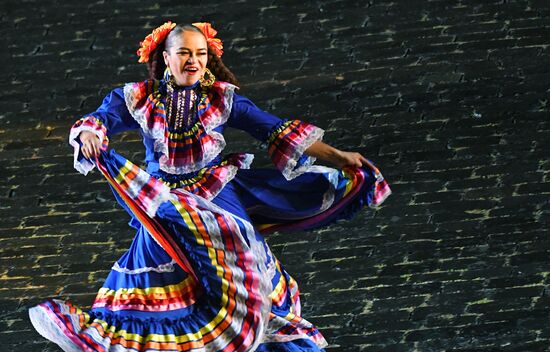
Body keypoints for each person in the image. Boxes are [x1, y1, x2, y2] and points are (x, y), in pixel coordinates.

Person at [28, 21, 391, 351]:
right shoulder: (138, 98)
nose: (193, 61)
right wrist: (91, 134)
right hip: (165, 202)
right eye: (184, 52)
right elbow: (100, 119)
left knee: (244, 259)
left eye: (200, 53)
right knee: (153, 284)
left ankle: (258, 335)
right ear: (165, 57)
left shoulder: (222, 98)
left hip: (216, 192)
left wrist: (338, 155)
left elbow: (275, 128)